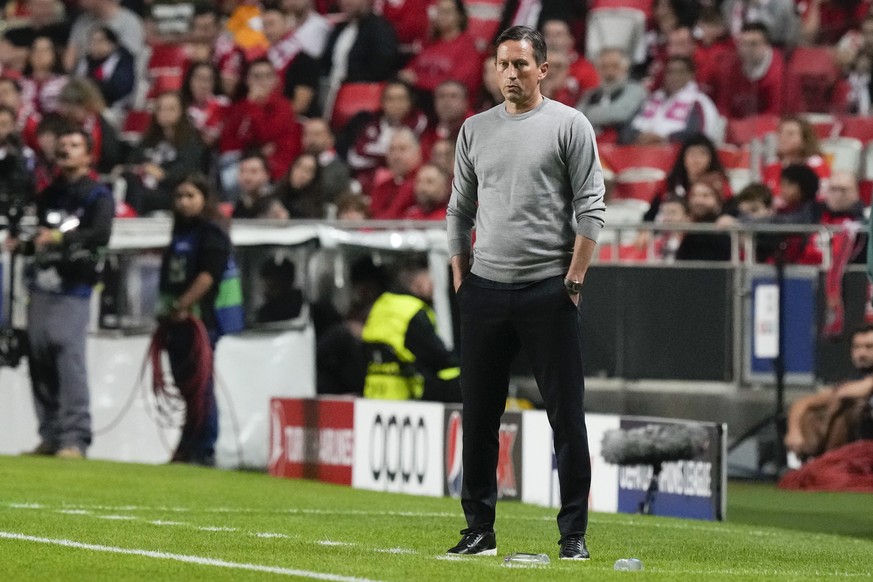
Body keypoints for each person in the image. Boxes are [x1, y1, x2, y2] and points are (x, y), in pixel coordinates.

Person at [445, 26, 605, 559]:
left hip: (546, 289)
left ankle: (574, 536)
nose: (510, 73)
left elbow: (592, 206)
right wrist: (460, 276)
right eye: (502, 64)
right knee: (478, 416)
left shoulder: (569, 124)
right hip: (485, 289)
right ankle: (478, 530)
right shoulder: (474, 129)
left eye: (520, 64)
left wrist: (574, 280)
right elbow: (459, 208)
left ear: (543, 71)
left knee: (566, 415)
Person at [8, 127, 114, 459]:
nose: (65, 149)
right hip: (40, 285)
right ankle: (51, 434)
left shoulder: (98, 195)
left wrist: (58, 239)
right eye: (63, 144)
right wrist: (21, 243)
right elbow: (31, 232)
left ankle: (75, 438)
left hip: (74, 286)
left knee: (69, 359)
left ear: (89, 154)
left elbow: (100, 233)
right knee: (39, 360)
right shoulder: (48, 195)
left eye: (74, 145)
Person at [157, 174, 238, 466]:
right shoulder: (180, 233)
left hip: (201, 321)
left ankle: (203, 448)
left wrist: (183, 304)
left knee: (199, 384)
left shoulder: (211, 234)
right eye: (179, 197)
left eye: (191, 196)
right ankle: (188, 444)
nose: (184, 202)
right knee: (184, 385)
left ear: (205, 199)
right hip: (176, 322)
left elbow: (208, 275)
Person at [361, 258, 461, 402]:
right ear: (419, 282)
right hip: (404, 396)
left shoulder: (382, 302)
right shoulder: (412, 310)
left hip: (374, 392)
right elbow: (436, 354)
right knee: (456, 373)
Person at [784, 325, 873, 461]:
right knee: (813, 414)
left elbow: (863, 388)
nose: (861, 353)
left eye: (868, 347)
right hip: (855, 448)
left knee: (848, 403)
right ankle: (820, 460)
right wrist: (794, 432)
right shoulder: (851, 381)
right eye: (856, 347)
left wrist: (840, 394)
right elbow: (802, 403)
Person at [123, 91, 209, 215]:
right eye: (160, 109)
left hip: (173, 191)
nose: (164, 113)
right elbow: (133, 161)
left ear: (181, 112)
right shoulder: (149, 139)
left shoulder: (192, 141)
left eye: (171, 109)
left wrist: (162, 175)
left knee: (141, 195)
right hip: (143, 186)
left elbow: (188, 170)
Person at [628, 56, 720, 145]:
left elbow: (699, 135)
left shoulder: (699, 102)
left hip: (676, 155)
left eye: (680, 72)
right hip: (640, 152)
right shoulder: (652, 99)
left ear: (691, 75)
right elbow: (628, 128)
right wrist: (637, 136)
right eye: (669, 72)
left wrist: (665, 139)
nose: (673, 76)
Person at [712, 22, 784, 119]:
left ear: (766, 46)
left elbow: (775, 112)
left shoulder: (779, 72)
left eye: (753, 44)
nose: (747, 49)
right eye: (743, 44)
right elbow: (724, 105)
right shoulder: (731, 67)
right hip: (737, 126)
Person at [576, 47, 647, 143]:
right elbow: (576, 119)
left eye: (615, 66)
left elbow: (619, 113)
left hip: (624, 147)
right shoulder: (591, 94)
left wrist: (588, 113)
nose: (609, 72)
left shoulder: (635, 90)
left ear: (625, 68)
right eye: (604, 67)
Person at [255, 255, 304, 323]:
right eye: (267, 286)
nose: (266, 290)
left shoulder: (302, 305)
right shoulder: (265, 312)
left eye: (273, 286)